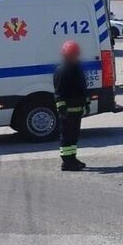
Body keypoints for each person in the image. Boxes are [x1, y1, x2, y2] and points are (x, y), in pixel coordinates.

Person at [53, 40, 89, 171]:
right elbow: (59, 92)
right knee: (67, 137)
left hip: (77, 109)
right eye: (73, 55)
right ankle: (67, 162)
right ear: (66, 56)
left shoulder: (77, 68)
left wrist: (86, 101)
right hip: (67, 111)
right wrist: (61, 108)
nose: (75, 57)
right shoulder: (62, 70)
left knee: (74, 135)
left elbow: (82, 87)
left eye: (76, 54)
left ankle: (72, 158)